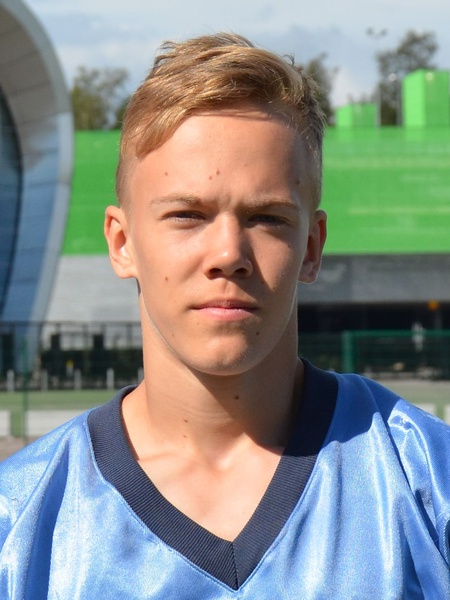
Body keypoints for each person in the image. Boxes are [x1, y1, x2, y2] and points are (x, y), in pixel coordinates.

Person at [0, 33, 449, 599]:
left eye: (267, 218)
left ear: (312, 248)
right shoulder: (18, 519)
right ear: (122, 242)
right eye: (187, 215)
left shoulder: (428, 481)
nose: (228, 254)